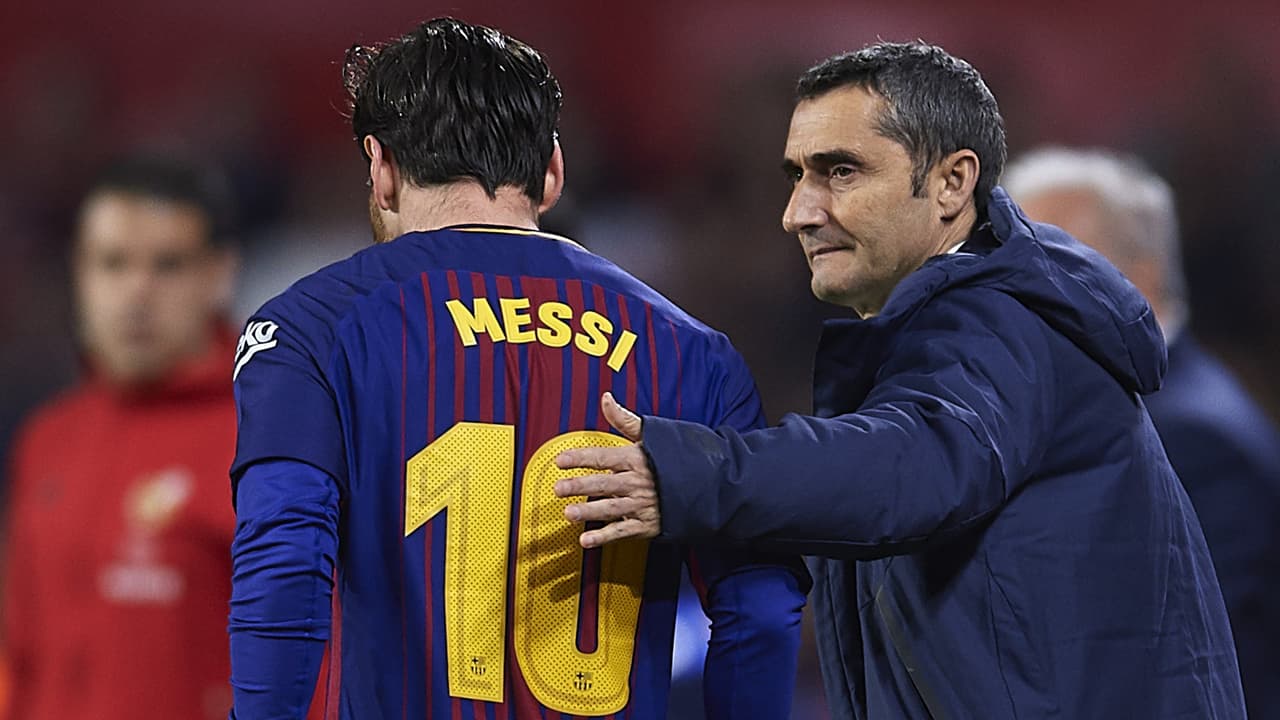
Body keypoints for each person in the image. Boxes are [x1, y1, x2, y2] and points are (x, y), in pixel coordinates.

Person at [553, 42, 1247, 718]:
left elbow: (917, 462)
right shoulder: (953, 330)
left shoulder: (1002, 323)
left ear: (952, 183)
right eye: (797, 176)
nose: (798, 212)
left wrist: (689, 474)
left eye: (841, 172)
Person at [227, 17, 807, 720]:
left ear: (381, 169)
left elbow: (284, 563)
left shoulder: (310, 328)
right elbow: (760, 609)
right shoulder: (691, 351)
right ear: (552, 170)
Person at [1004, 146, 1280, 719]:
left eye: (1045, 265)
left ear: (1140, 278)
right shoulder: (1122, 410)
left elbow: (1180, 678)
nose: (1012, 299)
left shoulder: (1193, 442)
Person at [1, 154, 241, 720]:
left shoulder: (263, 435)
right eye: (113, 263)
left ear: (218, 274)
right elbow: (19, 653)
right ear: (79, 273)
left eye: (167, 265)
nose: (137, 292)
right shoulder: (47, 440)